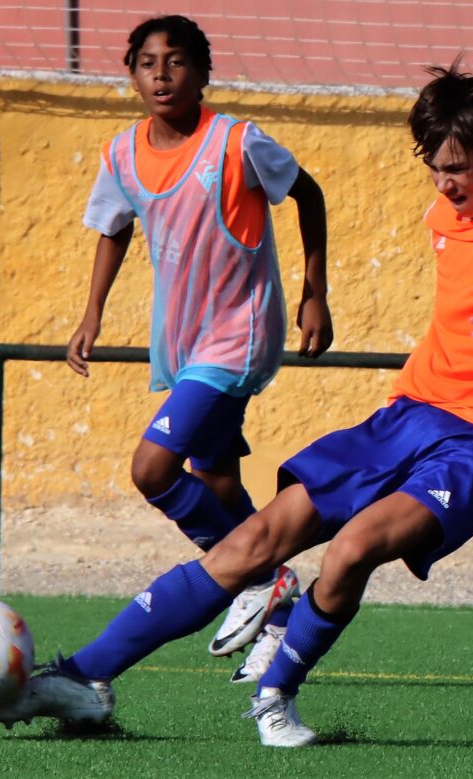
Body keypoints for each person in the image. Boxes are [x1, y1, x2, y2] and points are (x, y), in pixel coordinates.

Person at [0, 61, 473, 746]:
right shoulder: (445, 212)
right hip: (411, 412)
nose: (444, 183)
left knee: (353, 548)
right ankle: (83, 678)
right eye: (433, 168)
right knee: (253, 542)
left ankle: (275, 699)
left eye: (456, 168)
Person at [66, 14, 332, 661]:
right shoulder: (123, 153)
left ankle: (257, 573)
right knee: (213, 481)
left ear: (203, 74)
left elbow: (309, 193)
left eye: (177, 61)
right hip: (182, 345)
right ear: (130, 74)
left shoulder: (236, 142)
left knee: (152, 468)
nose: (162, 74)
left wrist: (314, 292)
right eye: (148, 62)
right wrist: (91, 311)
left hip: (239, 333)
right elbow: (115, 226)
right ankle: (272, 597)